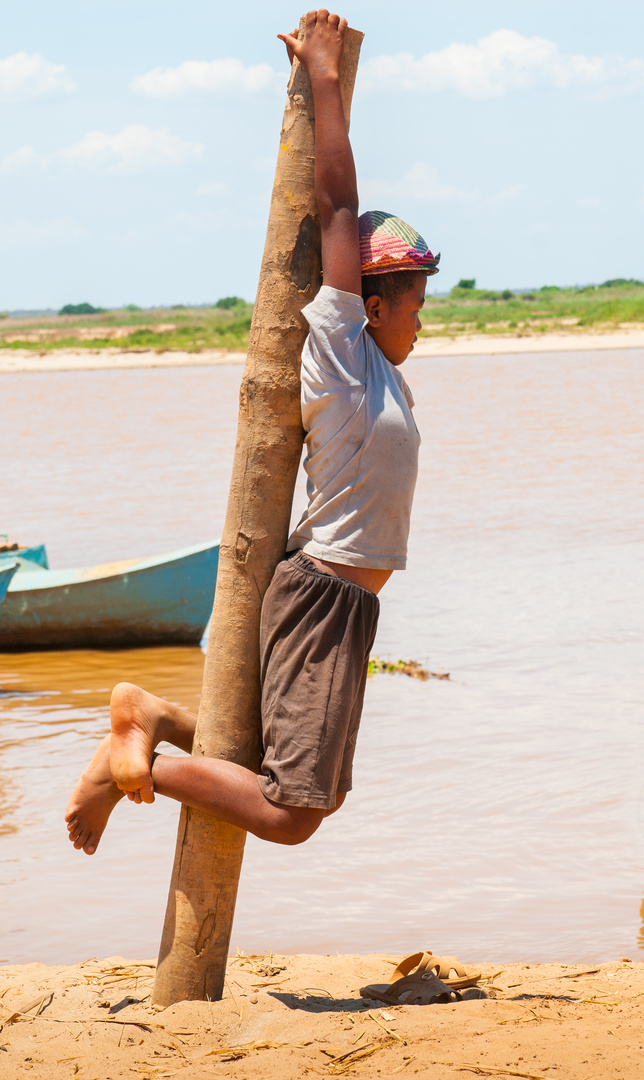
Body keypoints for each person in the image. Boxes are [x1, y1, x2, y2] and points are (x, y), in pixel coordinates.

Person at [65, 9, 439, 857]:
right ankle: (136, 766)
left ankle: (152, 719)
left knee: (305, 789)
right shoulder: (344, 348)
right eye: (417, 305)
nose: (425, 323)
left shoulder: (382, 373)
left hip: (343, 605)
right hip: (322, 595)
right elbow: (338, 200)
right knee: (288, 813)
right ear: (371, 306)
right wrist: (326, 79)